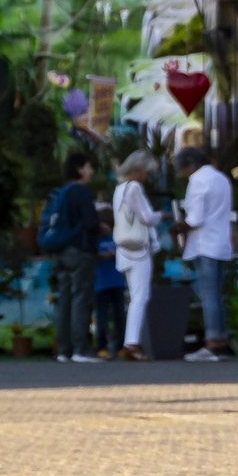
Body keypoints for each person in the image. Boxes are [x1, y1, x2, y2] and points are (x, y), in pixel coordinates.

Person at [172, 145, 234, 362]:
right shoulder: (221, 178)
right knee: (216, 295)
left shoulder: (197, 180)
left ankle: (213, 342)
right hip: (220, 243)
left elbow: (195, 219)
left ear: (189, 164)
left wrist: (178, 226)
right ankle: (221, 342)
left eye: (182, 169)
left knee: (209, 296)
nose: (183, 173)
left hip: (204, 244)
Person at [52, 151, 102, 364]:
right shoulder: (82, 191)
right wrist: (102, 226)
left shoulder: (63, 192)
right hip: (81, 251)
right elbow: (91, 222)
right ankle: (81, 348)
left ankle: (64, 350)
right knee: (81, 298)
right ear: (80, 169)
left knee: (65, 299)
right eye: (88, 167)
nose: (91, 171)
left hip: (62, 250)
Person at [112, 150, 160, 362]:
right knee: (140, 297)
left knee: (134, 297)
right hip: (139, 249)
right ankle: (132, 343)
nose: (148, 177)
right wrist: (162, 215)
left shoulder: (119, 188)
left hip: (123, 249)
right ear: (139, 170)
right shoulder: (135, 188)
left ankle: (130, 342)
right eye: (147, 173)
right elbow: (147, 218)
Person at [93, 203, 127, 359]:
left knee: (120, 315)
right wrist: (101, 256)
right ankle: (102, 346)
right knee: (102, 316)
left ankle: (121, 345)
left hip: (117, 281)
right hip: (100, 283)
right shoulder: (93, 239)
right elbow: (91, 256)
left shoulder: (117, 236)